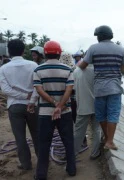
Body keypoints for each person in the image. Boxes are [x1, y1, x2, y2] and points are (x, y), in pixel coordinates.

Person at [79, 25, 124, 150]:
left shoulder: (93, 48)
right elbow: (123, 67)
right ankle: (110, 141)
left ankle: (107, 139)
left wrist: (78, 63)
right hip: (115, 88)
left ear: (100, 36)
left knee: (101, 115)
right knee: (113, 114)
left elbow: (83, 66)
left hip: (99, 88)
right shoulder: (120, 49)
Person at [33, 41, 76, 180]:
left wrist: (54, 103)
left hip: (45, 113)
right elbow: (69, 90)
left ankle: (41, 174)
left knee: (44, 143)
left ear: (45, 53)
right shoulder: (67, 70)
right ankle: (71, 170)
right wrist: (60, 106)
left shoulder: (38, 70)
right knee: (68, 141)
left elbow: (39, 90)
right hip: (65, 112)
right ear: (59, 53)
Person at [0, 39, 39, 170]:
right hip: (32, 105)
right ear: (23, 51)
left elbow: (5, 90)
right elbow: (38, 86)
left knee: (20, 137)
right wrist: (30, 98)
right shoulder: (33, 65)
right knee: (37, 134)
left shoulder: (4, 68)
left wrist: (21, 96)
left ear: (9, 52)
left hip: (14, 106)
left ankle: (26, 164)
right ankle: (42, 161)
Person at [73, 64, 102, 159]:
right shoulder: (98, 71)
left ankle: (73, 154)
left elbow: (73, 88)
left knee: (78, 132)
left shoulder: (76, 71)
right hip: (97, 106)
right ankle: (94, 153)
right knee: (97, 129)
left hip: (83, 106)